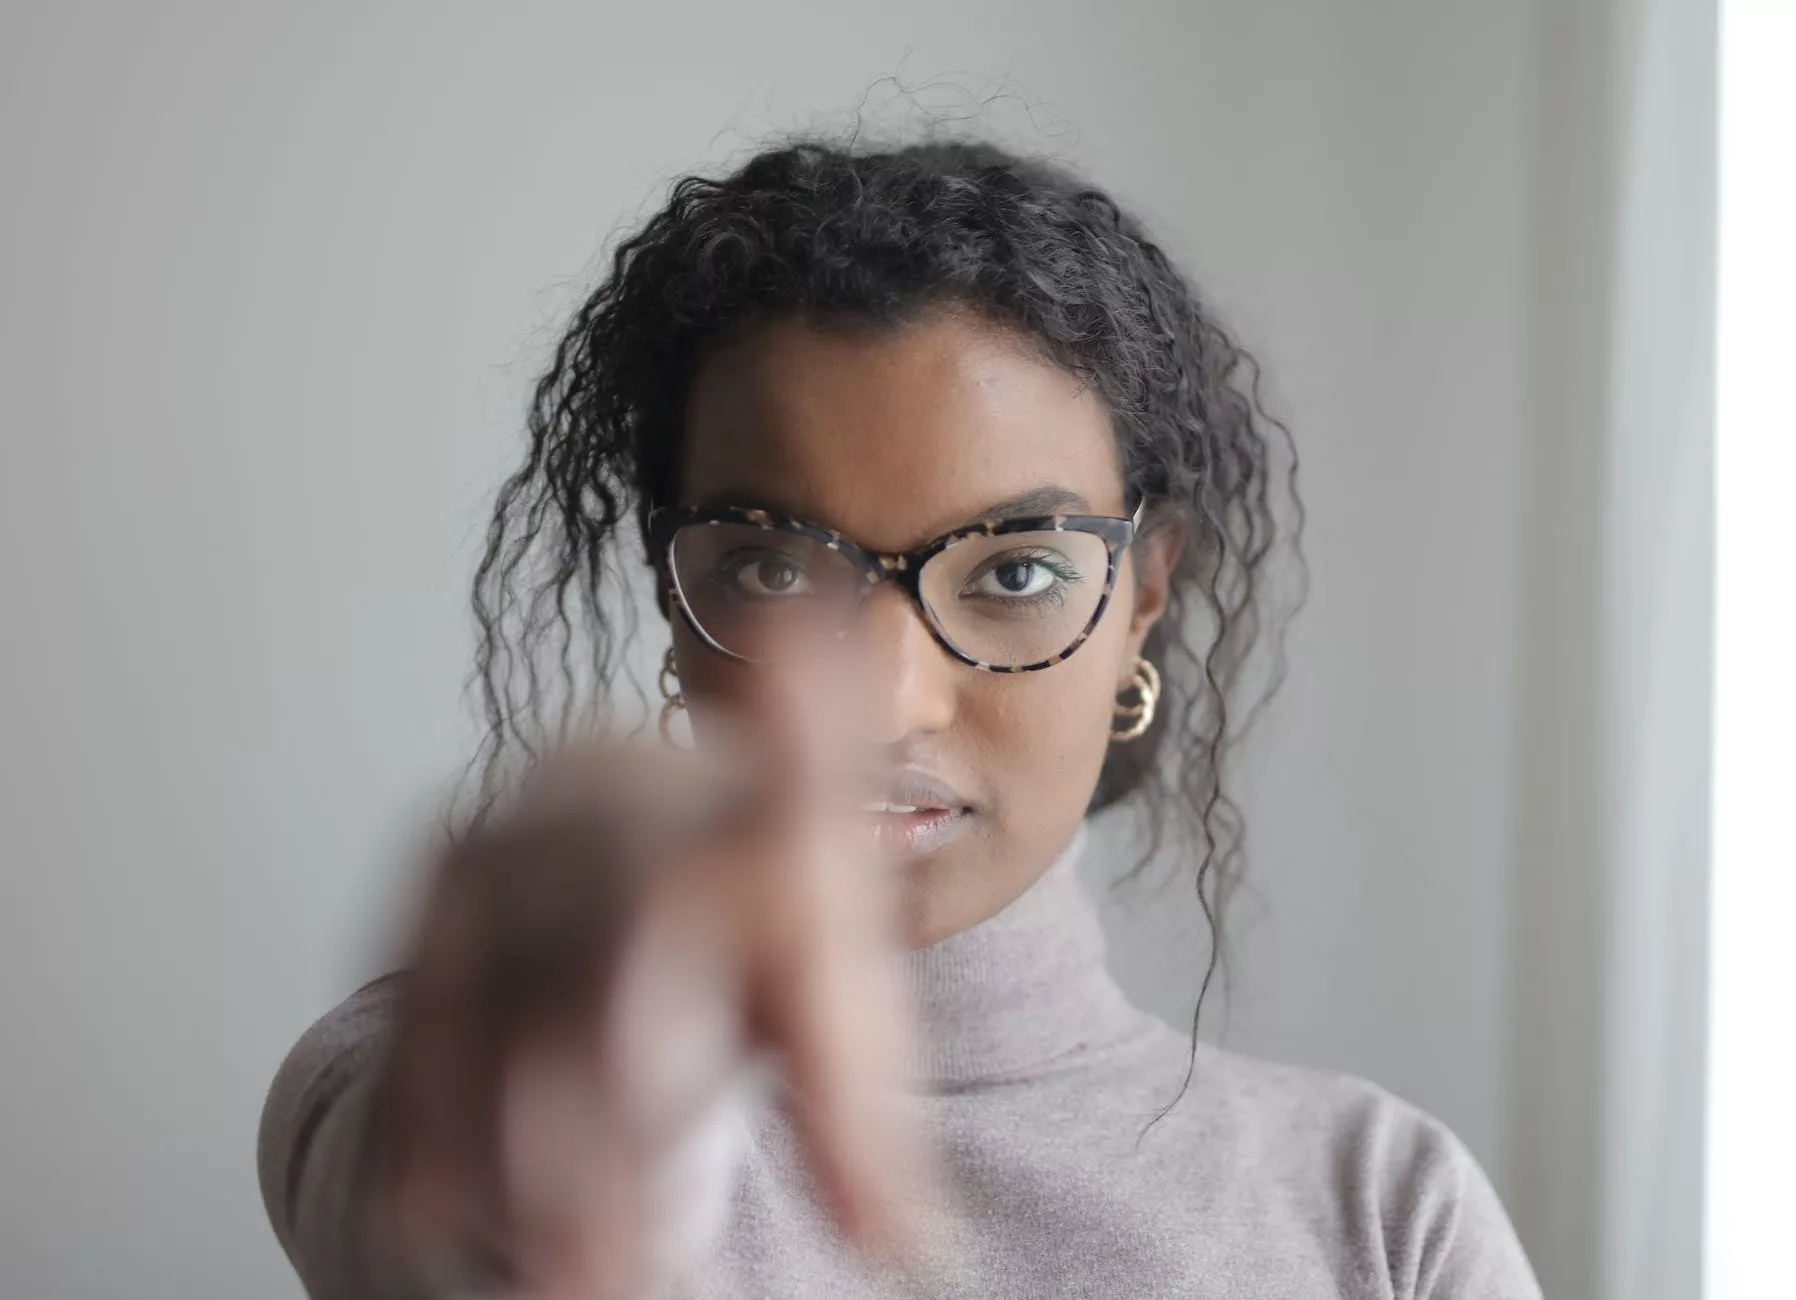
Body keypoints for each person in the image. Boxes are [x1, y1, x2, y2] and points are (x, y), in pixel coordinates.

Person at [257, 136, 1542, 1300]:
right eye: (773, 568)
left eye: (1016, 571)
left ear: (1144, 595)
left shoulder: (1379, 1208)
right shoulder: (426, 1077)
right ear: (670, 594)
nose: (885, 703)